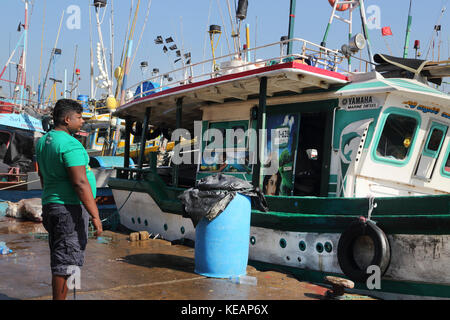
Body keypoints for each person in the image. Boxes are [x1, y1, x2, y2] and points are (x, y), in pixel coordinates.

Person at [36, 99, 103, 300]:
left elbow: (42, 177)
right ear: (67, 119)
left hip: (52, 205)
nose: (82, 121)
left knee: (62, 258)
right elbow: (80, 183)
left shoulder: (44, 141)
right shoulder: (69, 143)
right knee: (67, 261)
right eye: (79, 117)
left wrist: (50, 198)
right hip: (68, 209)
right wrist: (95, 215)